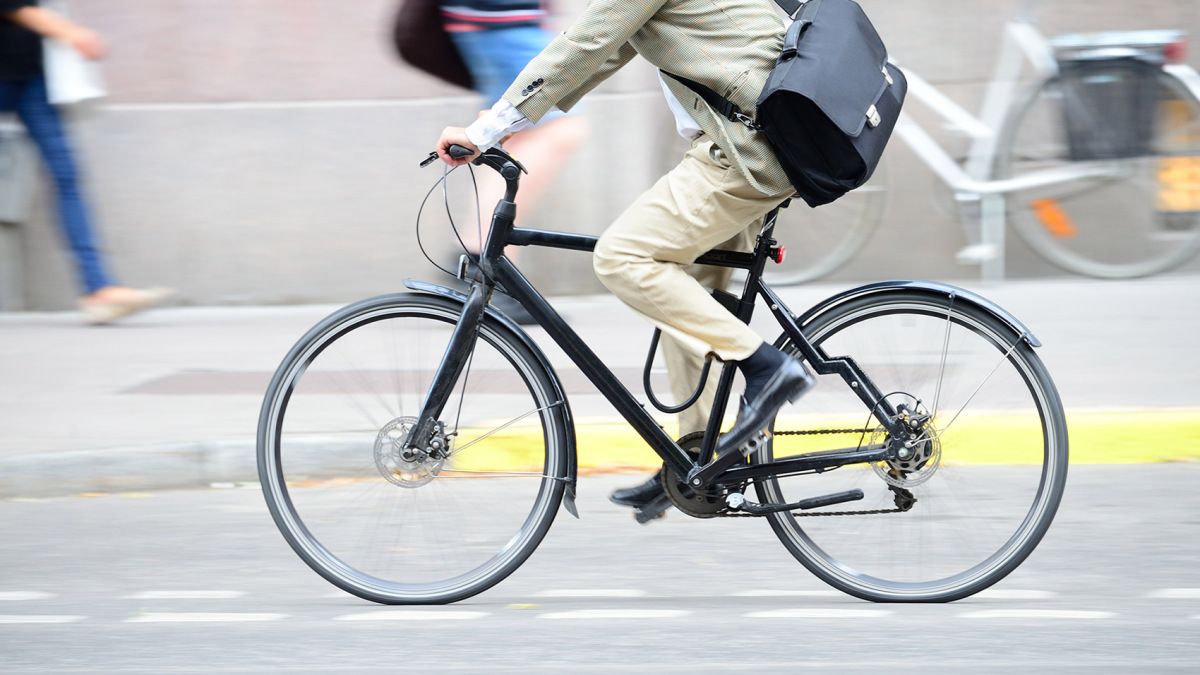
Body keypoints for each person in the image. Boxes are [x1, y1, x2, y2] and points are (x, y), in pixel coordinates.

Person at [435, 0, 817, 512]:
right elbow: (605, 47)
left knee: (624, 258)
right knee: (689, 297)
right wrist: (507, 120)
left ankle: (766, 367)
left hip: (745, 148)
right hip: (763, 139)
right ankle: (697, 459)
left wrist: (486, 131)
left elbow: (587, 43)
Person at [1, 0, 171, 323]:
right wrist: (71, 31)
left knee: (67, 175)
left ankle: (98, 289)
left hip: (30, 75)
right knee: (66, 177)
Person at [440, 0, 588, 323]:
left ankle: (489, 267)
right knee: (560, 128)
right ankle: (481, 261)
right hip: (499, 18)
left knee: (518, 137)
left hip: (498, 20)